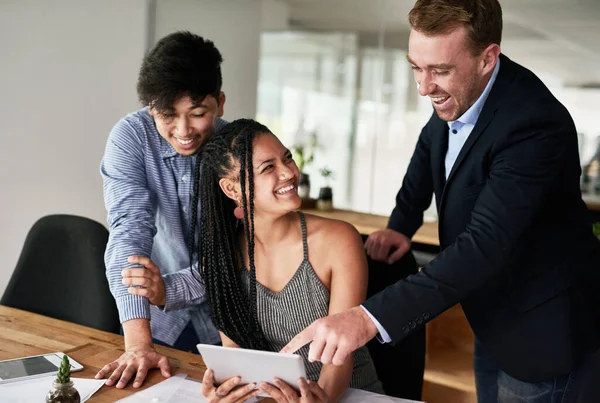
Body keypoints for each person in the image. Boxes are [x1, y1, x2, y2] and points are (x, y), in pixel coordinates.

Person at [282, 1, 600, 402]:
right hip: (494, 318)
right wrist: (402, 222)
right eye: (416, 67)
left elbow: (484, 244)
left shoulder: (534, 125)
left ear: (488, 58)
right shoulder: (461, 90)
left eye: (439, 71)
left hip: (545, 330)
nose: (423, 86)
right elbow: (432, 146)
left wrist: (366, 318)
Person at [138, 118, 383, 402]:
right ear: (232, 189)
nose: (289, 172)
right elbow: (235, 352)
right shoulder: (224, 256)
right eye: (268, 168)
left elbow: (341, 355)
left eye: (287, 158)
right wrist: (227, 388)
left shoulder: (339, 240)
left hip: (351, 395)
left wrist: (322, 398)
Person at [96, 31, 227, 389]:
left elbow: (237, 256)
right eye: (167, 115)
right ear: (151, 106)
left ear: (220, 102)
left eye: (198, 114)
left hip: (229, 321)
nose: (183, 130)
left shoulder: (238, 148)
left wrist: (168, 290)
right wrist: (138, 344)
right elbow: (129, 231)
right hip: (153, 323)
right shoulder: (131, 137)